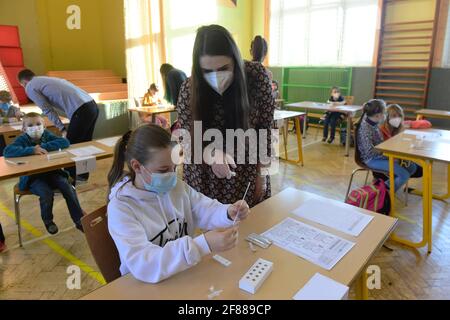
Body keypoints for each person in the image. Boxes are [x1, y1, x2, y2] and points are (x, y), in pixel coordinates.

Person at [107, 124, 249, 283]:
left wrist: (228, 212)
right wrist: (202, 245)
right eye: (163, 170)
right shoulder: (121, 208)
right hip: (144, 286)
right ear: (137, 166)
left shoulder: (177, 187)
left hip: (181, 275)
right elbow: (144, 263)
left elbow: (204, 208)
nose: (172, 176)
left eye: (174, 168)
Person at [177, 25, 276, 207]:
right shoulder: (189, 89)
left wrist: (261, 175)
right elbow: (187, 140)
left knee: (251, 223)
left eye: (224, 68)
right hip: (206, 176)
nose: (216, 76)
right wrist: (211, 154)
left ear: (235, 60)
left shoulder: (255, 77)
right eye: (207, 71)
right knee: (216, 228)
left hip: (247, 172)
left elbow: (267, 130)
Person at [4, 113, 85, 234]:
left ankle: (79, 220)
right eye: (30, 125)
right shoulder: (23, 139)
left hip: (52, 173)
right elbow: (7, 151)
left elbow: (64, 142)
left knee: (68, 188)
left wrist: (43, 146)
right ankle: (48, 221)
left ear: (44, 126)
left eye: (38, 124)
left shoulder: (46, 135)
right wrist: (32, 150)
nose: (35, 127)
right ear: (24, 129)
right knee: (46, 193)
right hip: (33, 178)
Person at [17, 69, 99, 183]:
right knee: (85, 143)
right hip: (92, 105)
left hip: (81, 109)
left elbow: (47, 109)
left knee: (69, 145)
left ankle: (68, 180)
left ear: (23, 83)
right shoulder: (44, 80)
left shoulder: (30, 86)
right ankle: (84, 177)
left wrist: (61, 128)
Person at [356, 99, 417, 192]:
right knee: (404, 174)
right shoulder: (365, 128)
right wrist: (388, 154)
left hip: (380, 155)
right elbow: (369, 151)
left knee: (412, 167)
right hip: (371, 159)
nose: (385, 115)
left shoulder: (372, 120)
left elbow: (380, 144)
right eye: (384, 112)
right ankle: (384, 193)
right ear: (378, 115)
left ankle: (384, 188)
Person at [381, 104, 423, 180]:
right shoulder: (382, 130)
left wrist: (410, 124)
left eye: (399, 116)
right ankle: (385, 180)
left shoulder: (400, 126)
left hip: (397, 159)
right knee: (413, 170)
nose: (397, 118)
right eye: (393, 116)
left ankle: (393, 179)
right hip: (387, 161)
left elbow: (426, 123)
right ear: (386, 117)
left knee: (420, 170)